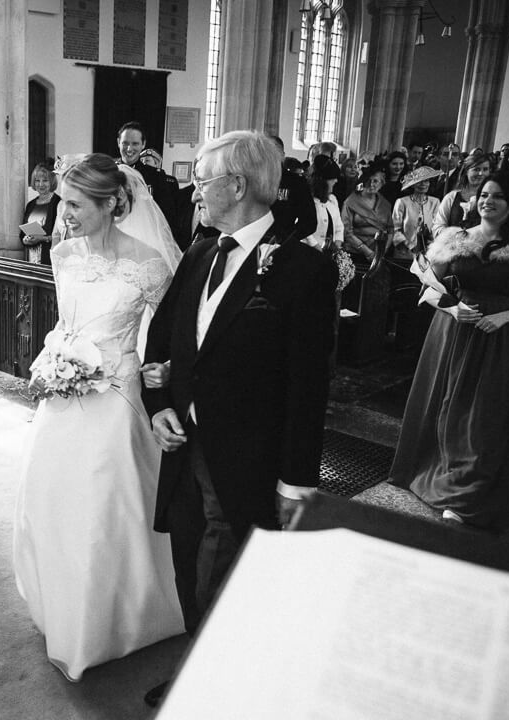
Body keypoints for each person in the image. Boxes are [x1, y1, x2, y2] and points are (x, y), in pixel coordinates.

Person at [141, 131, 336, 705]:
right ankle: (201, 667)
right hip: (186, 444)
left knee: (226, 569)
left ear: (238, 184)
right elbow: (165, 339)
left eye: (201, 179)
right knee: (187, 551)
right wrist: (159, 407)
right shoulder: (202, 250)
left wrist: (297, 480)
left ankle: (225, 687)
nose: (194, 191)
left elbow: (309, 385)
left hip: (248, 454)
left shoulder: (302, 270)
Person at [12, 153, 185, 683]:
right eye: (62, 200)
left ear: (111, 204)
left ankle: (111, 622)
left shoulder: (150, 264)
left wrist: (166, 372)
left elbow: (177, 334)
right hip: (63, 397)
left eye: (75, 203)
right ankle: (61, 607)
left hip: (116, 400)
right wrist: (53, 361)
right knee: (52, 501)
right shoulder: (62, 255)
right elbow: (66, 323)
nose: (63, 213)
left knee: (101, 511)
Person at [389, 171, 509, 531]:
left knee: (485, 418)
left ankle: (470, 491)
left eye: (497, 196)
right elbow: (428, 286)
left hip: (501, 341)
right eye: (483, 194)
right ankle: (445, 476)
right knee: (448, 408)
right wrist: (452, 308)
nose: (487, 201)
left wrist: (506, 317)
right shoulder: (456, 238)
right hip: (455, 334)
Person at [116, 121, 183, 233]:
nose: (129, 149)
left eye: (135, 144)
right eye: (125, 143)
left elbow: (167, 217)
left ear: (143, 144)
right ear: (118, 142)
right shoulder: (107, 173)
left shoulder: (156, 176)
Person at [268, 136, 318, 242]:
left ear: (282, 155)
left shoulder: (295, 182)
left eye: (273, 151)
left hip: (281, 245)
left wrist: (286, 238)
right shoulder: (252, 181)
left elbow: (310, 222)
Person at [432, 151, 492, 238]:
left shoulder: (492, 198)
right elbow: (437, 227)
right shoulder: (451, 197)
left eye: (485, 169)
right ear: (466, 171)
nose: (481, 173)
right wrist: (456, 235)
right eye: (476, 169)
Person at [390, 165, 442, 265]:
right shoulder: (402, 202)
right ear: (413, 184)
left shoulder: (435, 202)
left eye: (426, 181)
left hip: (428, 254)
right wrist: (409, 246)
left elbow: (437, 226)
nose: (423, 184)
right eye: (419, 182)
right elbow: (395, 229)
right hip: (405, 253)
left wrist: (431, 245)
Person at [342, 165, 392, 264]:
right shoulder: (350, 202)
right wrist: (367, 252)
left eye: (375, 181)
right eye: (368, 180)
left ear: (382, 183)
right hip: (355, 253)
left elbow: (390, 230)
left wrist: (383, 250)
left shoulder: (385, 204)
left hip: (378, 253)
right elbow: (347, 232)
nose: (371, 184)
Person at [21, 160, 61, 265]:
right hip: (30, 257)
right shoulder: (30, 205)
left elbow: (63, 236)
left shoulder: (58, 203)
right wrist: (25, 239)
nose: (41, 184)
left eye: (45, 180)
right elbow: (23, 233)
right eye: (37, 181)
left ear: (52, 181)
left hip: (49, 260)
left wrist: (42, 239)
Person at [302, 155, 344, 253]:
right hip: (309, 251)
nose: (336, 181)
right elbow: (304, 230)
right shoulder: (307, 200)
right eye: (332, 178)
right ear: (322, 181)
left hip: (329, 252)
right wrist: (317, 247)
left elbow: (339, 226)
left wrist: (337, 245)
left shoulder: (333, 199)